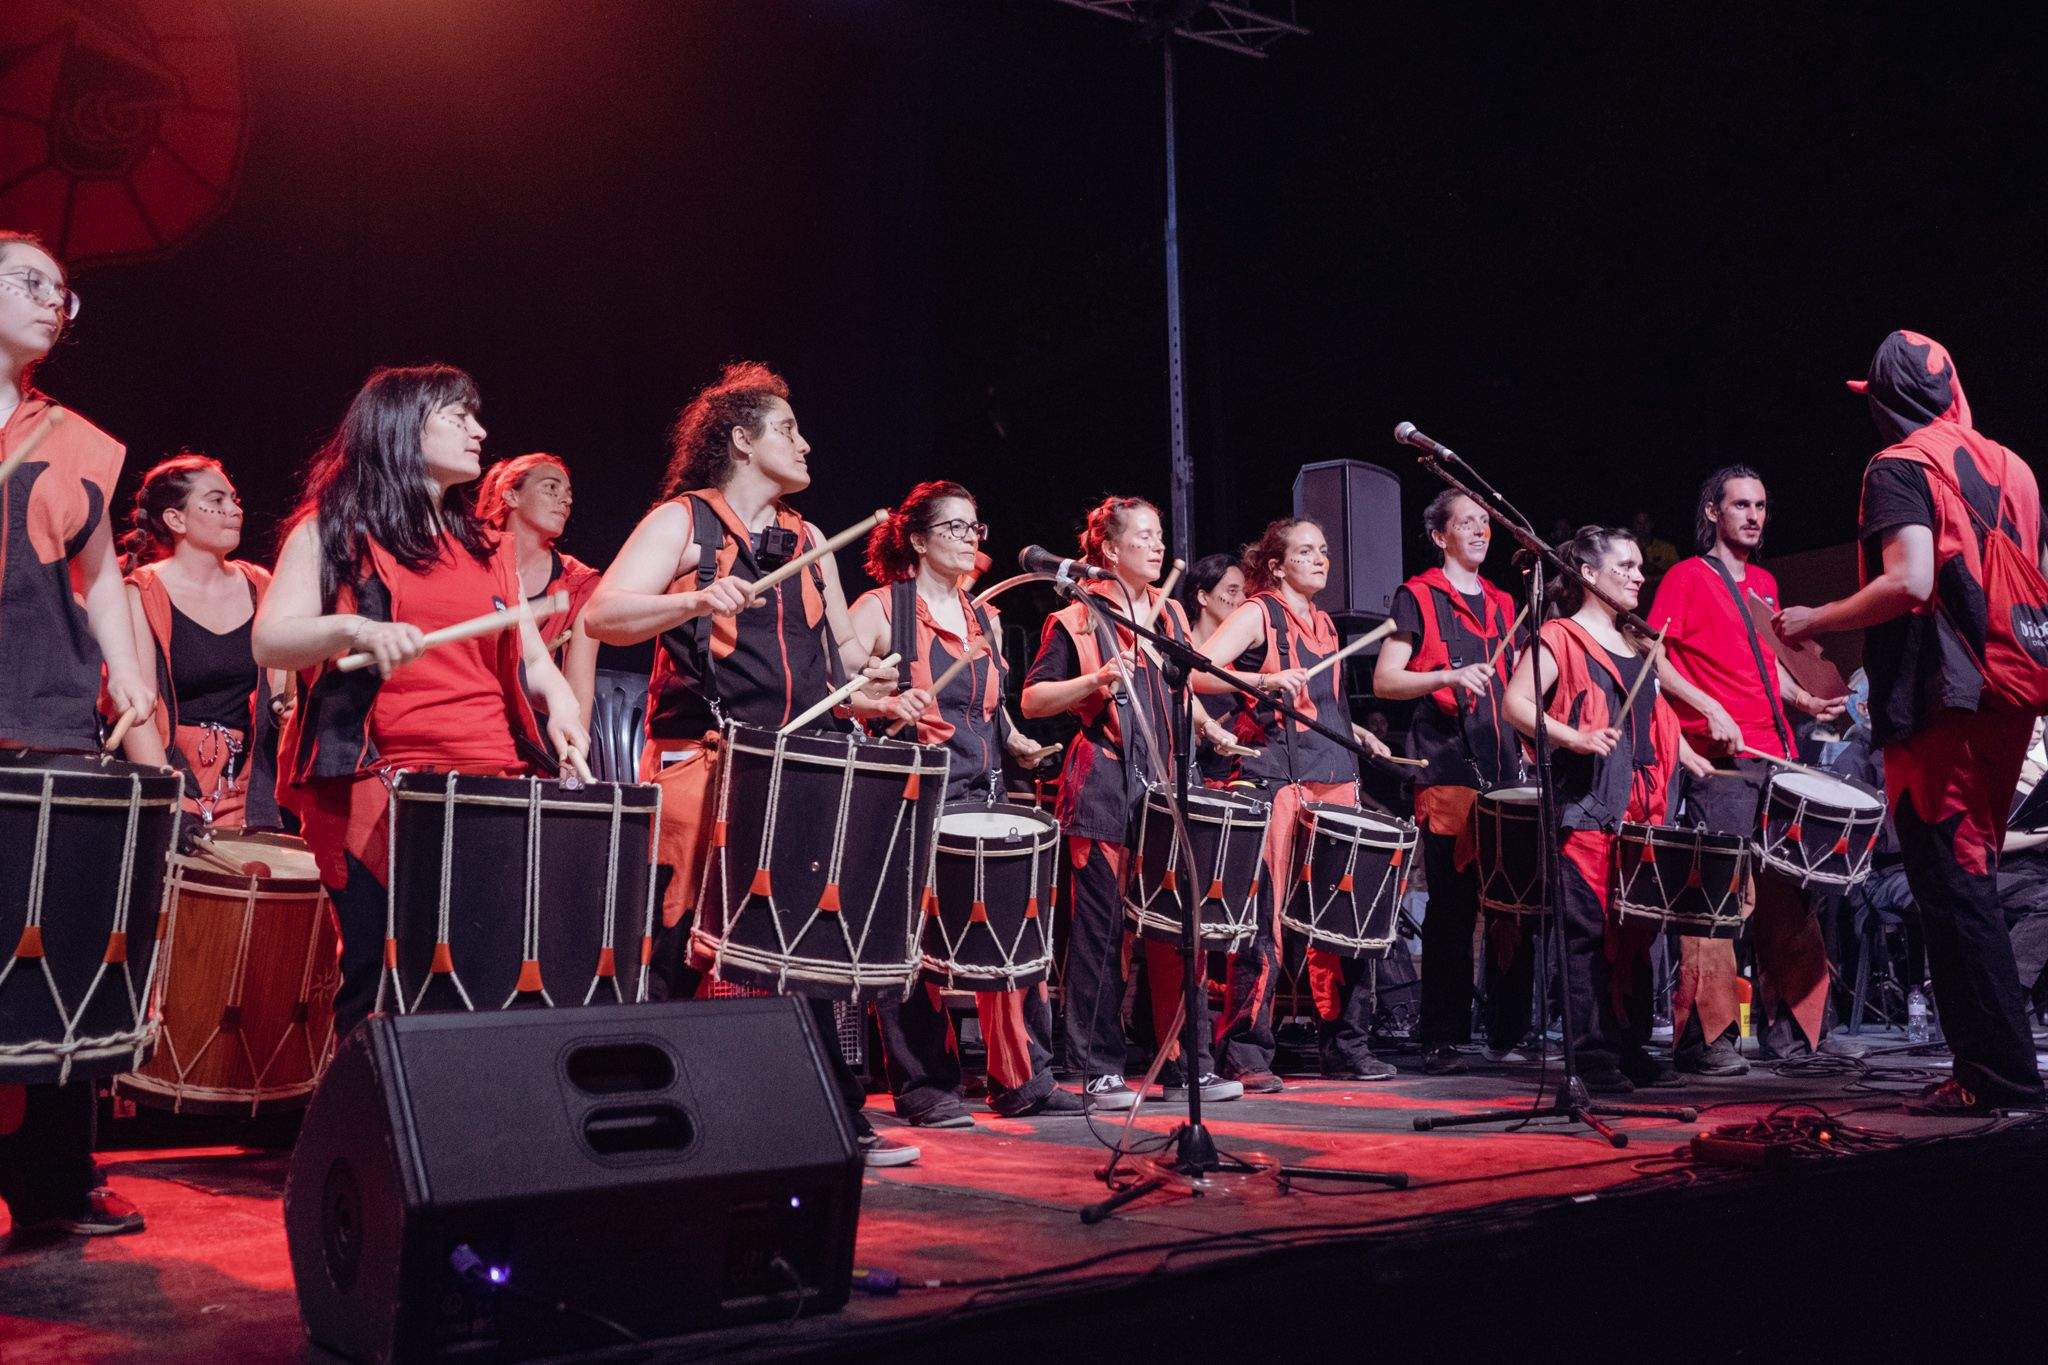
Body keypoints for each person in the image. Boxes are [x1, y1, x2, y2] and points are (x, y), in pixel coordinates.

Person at [581, 361, 915, 1163]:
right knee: (678, 938)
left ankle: (830, 1115)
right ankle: (639, 1111)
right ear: (741, 439)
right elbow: (603, 614)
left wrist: (874, 687)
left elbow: (836, 658)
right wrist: (693, 600)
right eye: (788, 429)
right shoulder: (683, 523)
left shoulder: (809, 540)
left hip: (800, 764)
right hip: (705, 756)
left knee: (805, 946)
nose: (805, 443)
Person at [254, 364, 590, 1049]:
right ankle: (368, 1144)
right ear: (405, 427)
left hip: (491, 784)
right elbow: (272, 640)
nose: (481, 431)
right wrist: (353, 629)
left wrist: (562, 710)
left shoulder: (488, 547)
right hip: (381, 783)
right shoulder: (331, 530)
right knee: (380, 975)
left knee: (486, 975)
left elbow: (531, 660)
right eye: (458, 417)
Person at [1778, 330, 2047, 1114]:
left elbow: (1912, 579)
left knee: (1953, 882)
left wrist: (1813, 616)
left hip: (1944, 695)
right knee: (1970, 872)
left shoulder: (1898, 466)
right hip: (2012, 682)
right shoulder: (2017, 467)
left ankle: (1997, 1078)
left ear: (1891, 401)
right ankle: (1992, 1069)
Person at [0, 230, 155, 1240]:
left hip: (42, 722)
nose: (54, 303)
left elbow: (103, 589)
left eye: (63, 291)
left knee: (41, 959)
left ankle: (53, 1187)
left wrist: (134, 690)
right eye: (29, 283)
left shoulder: (81, 441)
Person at [850, 481, 1085, 1123]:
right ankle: (925, 1084)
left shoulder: (986, 618)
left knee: (1008, 929)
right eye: (953, 528)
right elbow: (833, 689)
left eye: (974, 528)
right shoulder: (881, 610)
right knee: (914, 942)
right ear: (918, 539)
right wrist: (879, 701)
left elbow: (990, 708)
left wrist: (1019, 743)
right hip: (911, 795)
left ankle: (1022, 1079)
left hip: (982, 791)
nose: (967, 539)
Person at [1021, 495, 1243, 1110]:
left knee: (1175, 926)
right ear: (1110, 551)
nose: (1157, 544)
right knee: (1100, 931)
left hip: (1165, 783)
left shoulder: (1168, 614)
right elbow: (1033, 701)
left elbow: (1180, 689)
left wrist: (1209, 723)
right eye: (1142, 536)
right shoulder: (1077, 618)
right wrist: (1093, 681)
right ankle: (1097, 1066)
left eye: (1159, 534)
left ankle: (1183, 1062)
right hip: (1103, 782)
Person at [1648, 465, 1852, 1074]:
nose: (1754, 516)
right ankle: (1706, 1041)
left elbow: (1769, 662)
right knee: (1717, 901)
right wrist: (1707, 706)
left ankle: (1798, 1038)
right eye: (1741, 505)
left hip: (1778, 755)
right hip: (1721, 764)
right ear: (1713, 511)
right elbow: (1652, 659)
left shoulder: (1764, 581)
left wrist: (1804, 700)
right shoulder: (1687, 576)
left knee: (1790, 895)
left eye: (1761, 505)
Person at [1503, 525, 1711, 1094]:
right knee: (1587, 933)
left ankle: (1628, 1044)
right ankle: (1591, 1056)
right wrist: (1571, 737)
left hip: (1643, 810)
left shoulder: (1641, 644)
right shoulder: (1559, 635)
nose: (1639, 576)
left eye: (1641, 567)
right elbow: (1515, 703)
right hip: (1587, 807)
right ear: (1588, 575)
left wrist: (1688, 752)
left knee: (1636, 935)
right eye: (1626, 566)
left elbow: (1652, 715)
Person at [1196, 517, 1395, 1088]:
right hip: (1276, 779)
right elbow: (1199, 674)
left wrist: (1354, 732)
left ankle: (1346, 1045)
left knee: (1341, 918)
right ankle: (1246, 1052)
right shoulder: (1258, 613)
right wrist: (1260, 683)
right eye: (1305, 551)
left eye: (1325, 551)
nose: (1320, 559)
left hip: (1333, 774)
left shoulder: (1327, 624)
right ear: (1277, 564)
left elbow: (1321, 700)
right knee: (1266, 921)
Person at [1373, 490, 1534, 1074]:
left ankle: (1510, 1033)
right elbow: (1387, 680)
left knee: (1513, 904)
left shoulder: (1503, 601)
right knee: (1453, 908)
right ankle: (1442, 1035)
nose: (1480, 531)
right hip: (1445, 768)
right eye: (1466, 523)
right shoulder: (1418, 596)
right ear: (1439, 535)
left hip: (1504, 768)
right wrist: (1448, 673)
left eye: (1486, 522)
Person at [116, 453, 289, 830]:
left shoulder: (261, 585)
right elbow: (136, 713)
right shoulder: (142, 592)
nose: (234, 510)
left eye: (234, 500)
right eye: (216, 501)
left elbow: (281, 694)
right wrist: (164, 798)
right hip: (171, 772)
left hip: (243, 781)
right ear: (175, 519)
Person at [475, 452, 600, 726]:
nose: (565, 500)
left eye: (568, 493)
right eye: (550, 488)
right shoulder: (472, 561)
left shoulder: (578, 583)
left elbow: (578, 686)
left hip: (534, 726)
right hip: (470, 712)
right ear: (511, 496)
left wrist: (571, 762)